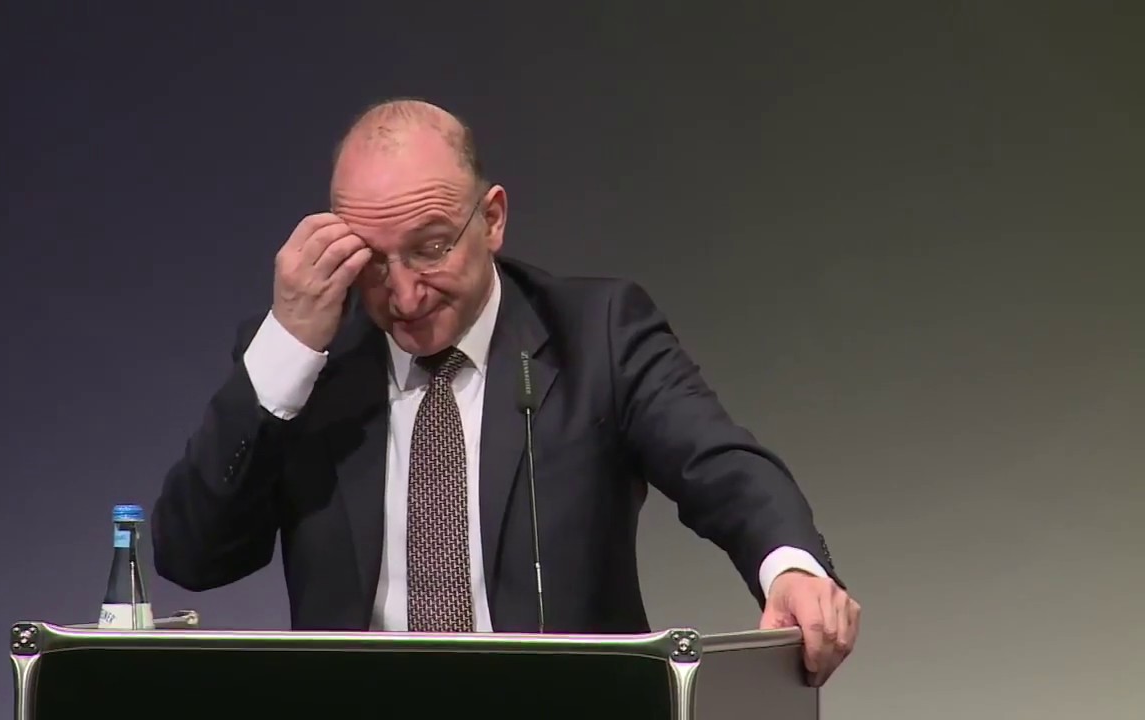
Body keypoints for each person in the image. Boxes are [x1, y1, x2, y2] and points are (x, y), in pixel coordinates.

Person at [151, 97, 860, 685]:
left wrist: (788, 568)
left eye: (430, 248)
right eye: (371, 261)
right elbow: (193, 557)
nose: (401, 294)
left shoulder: (598, 333)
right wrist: (288, 350)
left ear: (491, 219)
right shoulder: (306, 360)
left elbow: (719, 464)